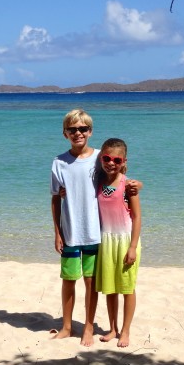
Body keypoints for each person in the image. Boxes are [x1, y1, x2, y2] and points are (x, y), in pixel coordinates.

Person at [50, 109, 140, 346]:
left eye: (82, 129)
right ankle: (67, 326)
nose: (77, 133)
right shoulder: (59, 162)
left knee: (91, 281)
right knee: (68, 280)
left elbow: (121, 174)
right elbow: (55, 198)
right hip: (70, 231)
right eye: (72, 129)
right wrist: (57, 232)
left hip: (95, 232)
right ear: (65, 133)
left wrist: (137, 185)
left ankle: (88, 327)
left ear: (90, 131)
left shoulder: (102, 157)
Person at [95, 138, 142, 348]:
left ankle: (125, 330)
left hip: (125, 241)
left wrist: (132, 247)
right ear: (101, 158)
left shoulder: (128, 186)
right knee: (110, 288)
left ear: (123, 161)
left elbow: (137, 217)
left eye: (116, 159)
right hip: (106, 240)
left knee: (127, 288)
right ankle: (112, 328)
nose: (110, 163)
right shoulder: (98, 182)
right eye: (106, 158)